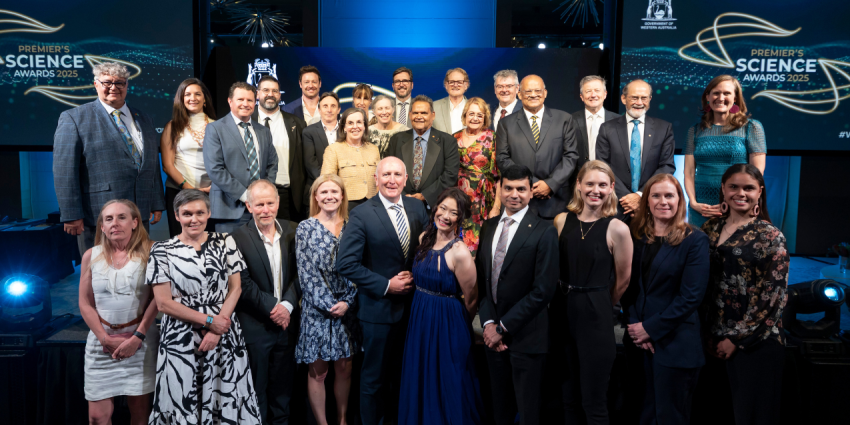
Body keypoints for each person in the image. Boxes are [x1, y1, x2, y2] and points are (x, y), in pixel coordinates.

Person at [146, 189, 261, 424]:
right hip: (180, 337)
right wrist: (210, 322)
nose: (194, 219)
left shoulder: (226, 241)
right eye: (187, 213)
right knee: (182, 396)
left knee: (226, 394)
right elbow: (163, 303)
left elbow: (235, 289)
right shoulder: (161, 250)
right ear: (177, 216)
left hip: (224, 332)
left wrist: (217, 329)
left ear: (209, 213)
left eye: (200, 213)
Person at [336, 157, 430, 425]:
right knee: (373, 380)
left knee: (404, 376)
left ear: (406, 178)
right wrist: (387, 285)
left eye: (397, 174)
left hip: (413, 311)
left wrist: (416, 273)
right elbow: (346, 263)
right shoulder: (361, 213)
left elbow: (427, 250)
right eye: (386, 174)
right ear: (376, 179)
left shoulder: (417, 207)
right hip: (377, 311)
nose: (392, 180)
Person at [700, 164, 788, 425]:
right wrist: (707, 334)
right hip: (712, 340)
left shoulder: (770, 235)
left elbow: (772, 297)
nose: (741, 193)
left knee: (750, 417)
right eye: (733, 187)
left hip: (755, 343)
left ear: (759, 192)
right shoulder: (710, 228)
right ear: (723, 190)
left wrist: (736, 339)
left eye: (748, 188)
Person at [54, 61, 165, 253]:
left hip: (139, 213)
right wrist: (71, 213)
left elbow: (152, 163)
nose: (113, 87)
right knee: (100, 268)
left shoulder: (144, 118)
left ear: (127, 85)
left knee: (138, 266)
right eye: (107, 82)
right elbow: (64, 170)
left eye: (119, 82)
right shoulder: (74, 118)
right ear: (96, 84)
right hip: (98, 215)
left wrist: (156, 202)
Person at [477, 164, 559, 425]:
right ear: (500, 190)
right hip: (492, 340)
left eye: (521, 189)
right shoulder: (488, 226)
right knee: (499, 411)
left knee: (528, 413)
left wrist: (502, 328)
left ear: (530, 192)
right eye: (509, 188)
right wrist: (489, 324)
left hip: (527, 338)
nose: (514, 194)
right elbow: (482, 282)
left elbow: (543, 290)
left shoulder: (545, 230)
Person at [553, 160, 632, 425]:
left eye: (602, 185)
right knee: (567, 398)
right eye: (589, 183)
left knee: (593, 402)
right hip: (562, 314)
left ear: (611, 188)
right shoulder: (561, 221)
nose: (595, 190)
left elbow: (623, 280)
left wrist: (600, 302)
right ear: (578, 185)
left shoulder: (618, 228)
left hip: (596, 317)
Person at [626, 174, 709, 425]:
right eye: (656, 195)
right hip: (638, 343)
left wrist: (649, 329)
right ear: (647, 202)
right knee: (641, 415)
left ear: (679, 201)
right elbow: (628, 288)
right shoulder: (635, 236)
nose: (663, 201)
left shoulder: (695, 240)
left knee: (669, 417)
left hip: (675, 343)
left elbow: (691, 297)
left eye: (669, 195)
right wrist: (635, 327)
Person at [398, 187, 482, 425]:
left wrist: (457, 327)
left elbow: (471, 298)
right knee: (421, 374)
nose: (445, 216)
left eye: (453, 213)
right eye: (442, 209)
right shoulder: (424, 238)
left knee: (447, 380)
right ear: (435, 209)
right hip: (420, 317)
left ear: (460, 218)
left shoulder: (460, 253)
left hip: (448, 323)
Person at [79, 200, 159, 425]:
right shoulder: (90, 255)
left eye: (122, 217)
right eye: (109, 219)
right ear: (102, 227)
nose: (115, 223)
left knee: (140, 415)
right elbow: (85, 303)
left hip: (140, 342)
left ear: (135, 222)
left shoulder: (153, 251)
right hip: (100, 343)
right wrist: (104, 338)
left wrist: (137, 337)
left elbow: (159, 299)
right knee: (97, 417)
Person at [230, 179, 301, 425]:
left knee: (283, 390)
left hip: (288, 325)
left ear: (278, 203)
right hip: (256, 325)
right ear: (249, 206)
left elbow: (302, 274)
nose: (266, 210)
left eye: (270, 203)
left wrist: (287, 306)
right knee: (256, 389)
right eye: (259, 205)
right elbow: (243, 283)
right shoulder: (236, 237)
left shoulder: (295, 230)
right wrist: (274, 307)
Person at [296, 174, 361, 425]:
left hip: (348, 308)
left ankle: (342, 420)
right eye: (324, 192)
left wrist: (347, 302)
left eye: (334, 191)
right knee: (318, 371)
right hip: (317, 310)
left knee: (345, 368)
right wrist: (329, 305)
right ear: (316, 196)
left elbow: (360, 266)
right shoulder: (305, 228)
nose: (329, 196)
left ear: (342, 195)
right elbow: (306, 273)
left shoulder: (354, 225)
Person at [684, 75, 767, 228]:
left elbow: (756, 173)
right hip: (701, 209)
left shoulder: (752, 127)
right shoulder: (694, 131)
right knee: (699, 243)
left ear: (735, 98)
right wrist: (694, 203)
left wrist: (733, 201)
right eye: (716, 93)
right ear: (708, 97)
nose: (720, 98)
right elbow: (688, 172)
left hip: (737, 206)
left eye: (727, 93)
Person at [496, 74, 579, 220]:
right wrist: (530, 183)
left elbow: (570, 156)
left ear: (545, 93)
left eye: (538, 91)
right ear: (519, 95)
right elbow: (503, 159)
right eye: (528, 91)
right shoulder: (505, 124)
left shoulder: (564, 119)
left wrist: (550, 184)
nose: (533, 95)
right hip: (519, 199)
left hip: (556, 200)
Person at [203, 82, 278, 234]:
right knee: (229, 250)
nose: (245, 104)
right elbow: (215, 169)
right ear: (230, 101)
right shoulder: (215, 129)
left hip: (260, 210)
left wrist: (263, 195)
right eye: (240, 99)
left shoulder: (263, 131)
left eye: (250, 100)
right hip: (229, 209)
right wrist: (246, 196)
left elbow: (272, 164)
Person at [596, 79, 675, 221]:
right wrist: (626, 198)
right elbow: (602, 166)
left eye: (644, 98)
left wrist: (640, 195)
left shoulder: (664, 128)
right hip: (616, 204)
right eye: (634, 97)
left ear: (650, 99)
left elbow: (666, 166)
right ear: (623, 98)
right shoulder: (607, 128)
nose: (639, 102)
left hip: (650, 204)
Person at [161, 78, 217, 237]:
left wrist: (214, 187)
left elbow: (225, 162)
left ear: (205, 99)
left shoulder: (218, 126)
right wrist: (190, 189)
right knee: (182, 242)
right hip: (179, 192)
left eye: (198, 94)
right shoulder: (172, 126)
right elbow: (167, 165)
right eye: (187, 94)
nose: (193, 98)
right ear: (181, 99)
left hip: (211, 193)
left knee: (209, 242)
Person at [388, 95, 460, 209]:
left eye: (424, 113)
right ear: (410, 115)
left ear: (433, 115)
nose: (419, 117)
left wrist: (425, 196)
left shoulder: (448, 141)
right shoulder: (396, 140)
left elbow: (450, 175)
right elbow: (388, 171)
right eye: (415, 113)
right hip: (399, 204)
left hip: (434, 208)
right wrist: (402, 196)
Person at [254, 75, 308, 222]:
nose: (270, 94)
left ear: (280, 95)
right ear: (257, 94)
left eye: (275, 91)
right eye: (266, 90)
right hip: (254, 194)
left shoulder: (297, 123)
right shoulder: (246, 121)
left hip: (286, 196)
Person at [455, 97, 501, 254]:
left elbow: (499, 176)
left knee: (481, 248)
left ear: (485, 118)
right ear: (465, 115)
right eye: (471, 114)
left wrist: (496, 206)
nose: (475, 118)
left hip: (484, 202)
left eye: (479, 115)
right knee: (457, 246)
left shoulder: (493, 138)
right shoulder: (454, 138)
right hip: (459, 201)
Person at [321, 107, 380, 211]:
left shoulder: (374, 149)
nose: (355, 126)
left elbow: (379, 179)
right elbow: (327, 182)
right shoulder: (333, 149)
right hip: (346, 206)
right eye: (350, 123)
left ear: (364, 126)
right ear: (344, 127)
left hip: (373, 204)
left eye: (359, 122)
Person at [570, 76, 618, 193]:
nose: (593, 95)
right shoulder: (570, 120)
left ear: (605, 94)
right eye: (588, 91)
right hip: (578, 184)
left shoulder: (618, 121)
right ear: (581, 96)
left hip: (611, 184)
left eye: (597, 90)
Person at [303, 92, 341, 198]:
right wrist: (327, 184)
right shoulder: (308, 132)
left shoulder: (347, 131)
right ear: (319, 110)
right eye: (325, 106)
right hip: (317, 188)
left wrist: (339, 183)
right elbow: (310, 162)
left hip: (343, 188)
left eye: (333, 106)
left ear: (339, 109)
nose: (329, 110)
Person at [433, 68, 469, 134]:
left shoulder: (475, 108)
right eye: (451, 82)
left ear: (466, 85)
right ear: (446, 85)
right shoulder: (433, 107)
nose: (455, 85)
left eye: (459, 82)